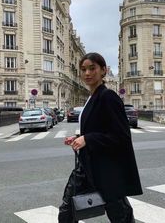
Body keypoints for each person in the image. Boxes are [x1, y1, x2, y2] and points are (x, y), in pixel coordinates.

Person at [58, 52, 143, 223]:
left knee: (120, 215)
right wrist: (79, 138)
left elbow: (121, 135)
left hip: (105, 169)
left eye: (92, 68)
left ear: (103, 70)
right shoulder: (93, 97)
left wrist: (88, 139)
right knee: (67, 212)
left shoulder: (108, 96)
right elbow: (99, 128)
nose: (87, 73)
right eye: (83, 69)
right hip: (87, 166)